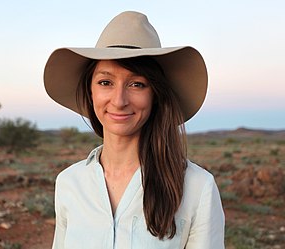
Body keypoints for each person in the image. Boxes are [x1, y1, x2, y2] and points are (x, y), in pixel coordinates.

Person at [44, 11, 225, 249]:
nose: (119, 101)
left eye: (137, 84)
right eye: (105, 82)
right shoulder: (69, 182)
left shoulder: (197, 187)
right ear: (91, 91)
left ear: (155, 95)